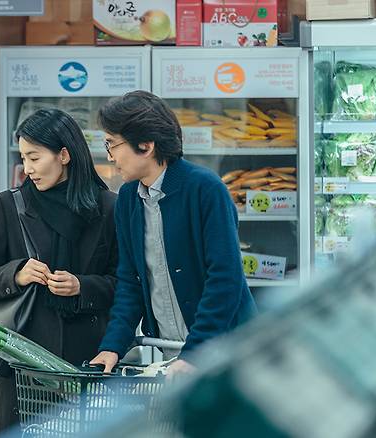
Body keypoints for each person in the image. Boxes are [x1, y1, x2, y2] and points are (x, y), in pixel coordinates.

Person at [0, 108, 118, 434]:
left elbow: (125, 283)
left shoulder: (108, 208)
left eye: (35, 157)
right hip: (24, 365)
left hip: (87, 362)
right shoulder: (10, 205)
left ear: (64, 154)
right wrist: (17, 273)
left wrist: (83, 286)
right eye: (23, 158)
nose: (28, 169)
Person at [90, 90, 257, 376]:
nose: (110, 156)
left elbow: (225, 278)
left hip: (226, 350)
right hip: (172, 353)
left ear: (145, 145)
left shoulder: (204, 189)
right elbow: (130, 281)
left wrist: (195, 352)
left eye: (113, 144)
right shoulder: (128, 198)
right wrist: (113, 346)